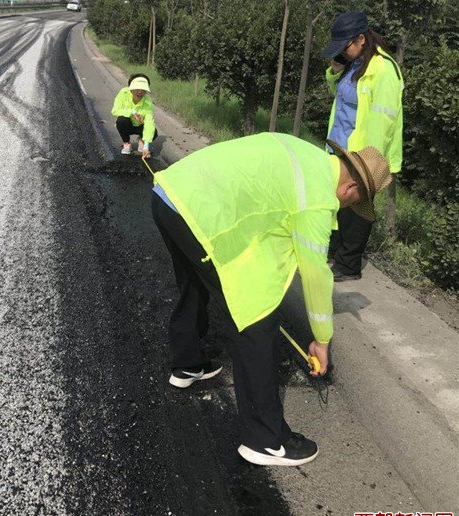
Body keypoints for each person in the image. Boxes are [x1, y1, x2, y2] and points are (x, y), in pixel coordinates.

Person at [151, 132, 391, 467]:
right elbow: (315, 274)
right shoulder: (318, 197)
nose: (345, 209)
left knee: (194, 283)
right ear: (351, 188)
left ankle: (188, 363)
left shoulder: (306, 154)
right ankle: (264, 439)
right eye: (352, 204)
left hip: (169, 195)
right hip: (197, 212)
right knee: (257, 318)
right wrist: (321, 339)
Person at [322, 11, 403, 282]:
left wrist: (368, 163)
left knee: (357, 208)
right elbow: (341, 97)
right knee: (338, 203)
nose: (343, 51)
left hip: (363, 154)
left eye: (345, 45)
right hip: (340, 146)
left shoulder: (383, 69)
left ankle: (349, 265)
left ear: (360, 39)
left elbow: (384, 121)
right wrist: (335, 71)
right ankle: (334, 251)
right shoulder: (354, 63)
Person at [111, 73, 157, 159]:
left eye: (143, 89)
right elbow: (115, 110)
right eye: (137, 89)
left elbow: (149, 123)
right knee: (121, 120)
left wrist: (146, 146)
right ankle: (127, 143)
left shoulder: (148, 102)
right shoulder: (123, 93)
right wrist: (132, 112)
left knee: (153, 132)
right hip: (127, 125)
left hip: (140, 126)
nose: (140, 92)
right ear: (131, 88)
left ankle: (141, 140)